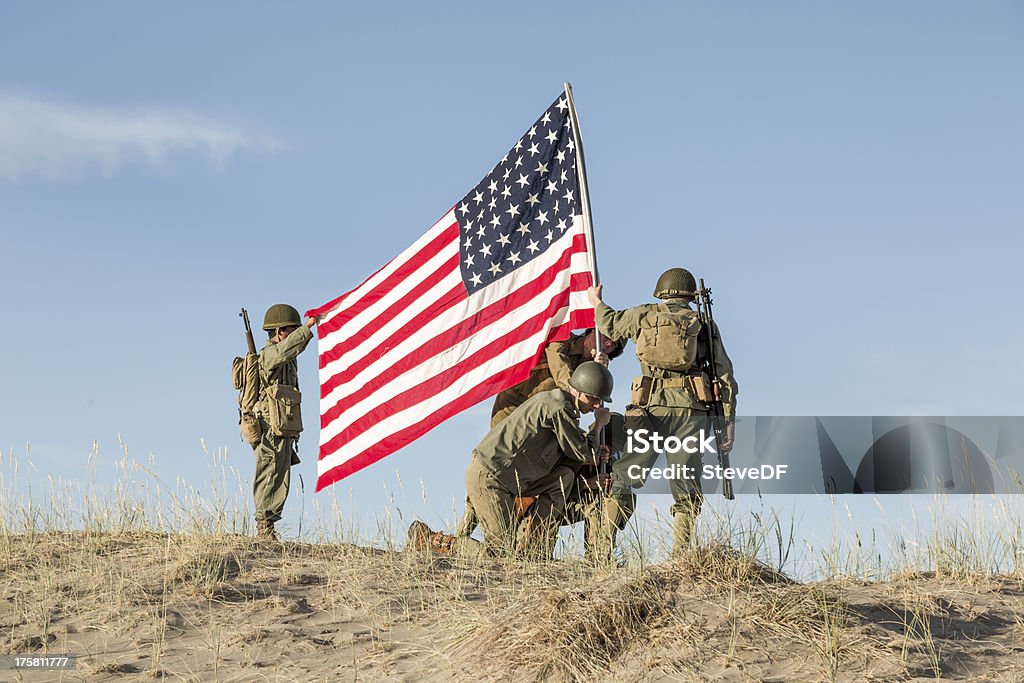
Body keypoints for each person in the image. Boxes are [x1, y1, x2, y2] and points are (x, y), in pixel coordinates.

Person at [587, 268, 738, 559]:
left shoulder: (642, 315)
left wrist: (596, 301)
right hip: (691, 412)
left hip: (649, 409)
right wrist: (727, 420)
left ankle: (601, 549)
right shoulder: (702, 323)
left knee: (626, 474)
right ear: (690, 295)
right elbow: (724, 375)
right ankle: (680, 556)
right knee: (685, 484)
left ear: (661, 292)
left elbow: (609, 323)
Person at [408, 361, 613, 557]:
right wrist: (598, 425)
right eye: (592, 398)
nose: (596, 405)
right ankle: (430, 540)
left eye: (599, 400)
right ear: (575, 390)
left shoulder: (557, 405)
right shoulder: (558, 407)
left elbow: (577, 451)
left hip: (510, 481)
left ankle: (531, 551)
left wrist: (592, 453)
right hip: (491, 479)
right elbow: (581, 452)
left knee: (564, 477)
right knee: (498, 552)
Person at [454, 329, 624, 538]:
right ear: (593, 330)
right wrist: (589, 379)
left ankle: (534, 545)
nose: (607, 344)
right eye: (607, 336)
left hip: (547, 426)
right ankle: (459, 537)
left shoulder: (582, 379)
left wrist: (594, 455)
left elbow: (574, 441)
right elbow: (563, 381)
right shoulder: (563, 340)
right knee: (498, 470)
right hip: (513, 411)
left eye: (613, 345)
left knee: (561, 471)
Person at [251, 304, 316, 540]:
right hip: (269, 426)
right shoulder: (269, 354)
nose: (295, 333)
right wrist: (308, 327)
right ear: (278, 331)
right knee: (269, 473)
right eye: (292, 329)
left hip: (283, 425)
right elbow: (288, 349)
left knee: (281, 476)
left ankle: (269, 526)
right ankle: (264, 527)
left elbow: (292, 349)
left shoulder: (288, 358)